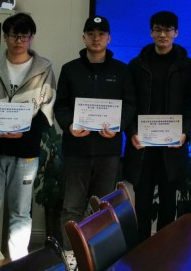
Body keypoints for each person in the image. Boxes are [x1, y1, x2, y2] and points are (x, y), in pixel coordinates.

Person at [0, 13, 56, 271]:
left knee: (21, 213)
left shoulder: (44, 68)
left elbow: (47, 108)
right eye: (14, 35)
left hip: (25, 152)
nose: (19, 40)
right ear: (5, 37)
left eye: (24, 36)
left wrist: (24, 133)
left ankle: (17, 266)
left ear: (31, 38)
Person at [54, 15, 136, 252]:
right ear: (84, 37)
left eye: (101, 34)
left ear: (109, 38)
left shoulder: (121, 71)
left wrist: (118, 125)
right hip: (76, 150)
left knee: (103, 208)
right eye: (91, 34)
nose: (96, 38)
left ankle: (99, 257)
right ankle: (71, 257)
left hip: (108, 150)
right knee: (71, 207)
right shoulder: (70, 69)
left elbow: (130, 104)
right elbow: (61, 105)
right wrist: (69, 124)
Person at [122, 11, 191, 242]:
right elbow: (129, 103)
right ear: (151, 32)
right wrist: (131, 133)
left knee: (168, 203)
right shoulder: (137, 65)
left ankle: (164, 250)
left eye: (167, 30)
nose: (162, 34)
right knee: (142, 203)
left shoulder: (186, 65)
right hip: (142, 147)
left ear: (176, 33)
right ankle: (141, 251)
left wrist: (185, 132)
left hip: (172, 147)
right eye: (157, 30)